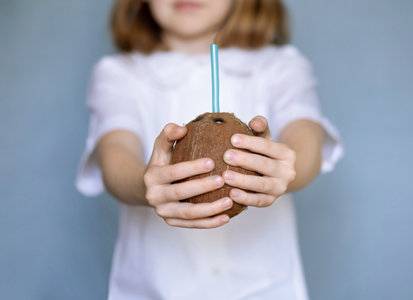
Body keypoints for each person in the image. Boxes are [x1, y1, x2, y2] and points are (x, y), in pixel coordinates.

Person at [76, 0, 343, 299]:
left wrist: (284, 170)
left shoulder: (281, 65)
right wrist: (146, 182)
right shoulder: (118, 73)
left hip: (266, 290)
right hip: (155, 289)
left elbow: (306, 135)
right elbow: (115, 150)